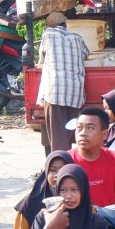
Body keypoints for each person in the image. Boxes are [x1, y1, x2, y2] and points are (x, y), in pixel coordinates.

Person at [31, 11, 89, 152]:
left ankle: (61, 165)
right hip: (75, 92)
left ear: (48, 25)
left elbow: (42, 59)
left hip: (55, 91)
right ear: (65, 24)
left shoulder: (48, 35)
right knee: (71, 130)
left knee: (57, 134)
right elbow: (86, 55)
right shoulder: (77, 37)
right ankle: (70, 158)